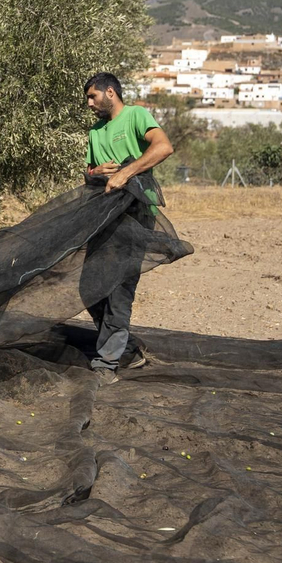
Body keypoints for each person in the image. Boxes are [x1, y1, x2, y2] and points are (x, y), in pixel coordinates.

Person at [82, 72, 173, 377]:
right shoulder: (95, 132)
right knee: (90, 287)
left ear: (111, 92)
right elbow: (88, 172)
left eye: (93, 97)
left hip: (135, 214)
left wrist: (125, 173)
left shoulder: (136, 115)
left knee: (119, 288)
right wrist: (97, 171)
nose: (90, 104)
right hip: (103, 216)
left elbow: (163, 147)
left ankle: (107, 362)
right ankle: (129, 350)